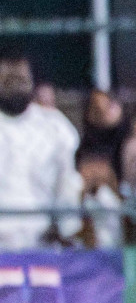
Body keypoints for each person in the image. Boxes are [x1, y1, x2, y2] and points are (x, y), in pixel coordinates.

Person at [0, 51, 82, 249]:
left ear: (32, 83)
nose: (15, 86)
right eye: (7, 80)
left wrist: (65, 229)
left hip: (43, 242)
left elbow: (68, 185)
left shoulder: (55, 126)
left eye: (21, 79)